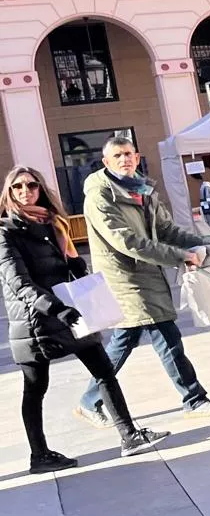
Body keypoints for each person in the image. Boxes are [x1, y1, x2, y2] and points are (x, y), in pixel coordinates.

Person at [2, 168, 170, 473]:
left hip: (70, 311)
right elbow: (20, 285)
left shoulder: (53, 224)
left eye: (31, 185)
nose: (25, 190)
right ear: (9, 192)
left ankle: (129, 436)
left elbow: (66, 261)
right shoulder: (5, 231)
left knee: (104, 371)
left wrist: (82, 273)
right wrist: (59, 310)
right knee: (35, 387)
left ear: (41, 189)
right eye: (18, 187)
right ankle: (39, 455)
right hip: (36, 320)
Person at [79, 136, 210, 421]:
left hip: (146, 272)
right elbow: (128, 242)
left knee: (124, 339)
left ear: (136, 158)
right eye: (117, 156)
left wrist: (201, 245)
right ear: (106, 162)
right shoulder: (100, 195)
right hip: (125, 276)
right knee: (166, 334)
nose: (124, 160)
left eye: (128, 154)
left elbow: (166, 229)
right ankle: (194, 399)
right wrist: (181, 256)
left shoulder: (142, 188)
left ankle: (89, 400)